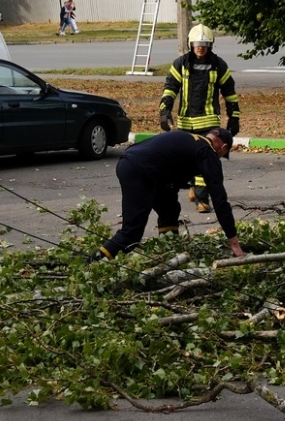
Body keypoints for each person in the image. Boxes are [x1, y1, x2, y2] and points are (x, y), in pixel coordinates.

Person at [97, 127, 243, 260]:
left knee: (169, 209)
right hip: (140, 171)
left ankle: (168, 253)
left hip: (131, 162)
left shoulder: (190, 139)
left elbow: (171, 176)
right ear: (223, 147)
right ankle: (93, 264)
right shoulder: (207, 152)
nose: (219, 158)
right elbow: (220, 200)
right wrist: (234, 241)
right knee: (131, 233)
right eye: (223, 155)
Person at [159, 24, 239, 213]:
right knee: (186, 160)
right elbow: (170, 88)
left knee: (206, 159)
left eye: (204, 43)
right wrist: (164, 111)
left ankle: (202, 200)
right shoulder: (181, 63)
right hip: (186, 122)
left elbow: (229, 92)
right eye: (197, 43)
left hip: (209, 121)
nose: (200, 47)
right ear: (190, 44)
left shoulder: (219, 65)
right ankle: (193, 186)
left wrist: (234, 117)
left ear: (210, 44)